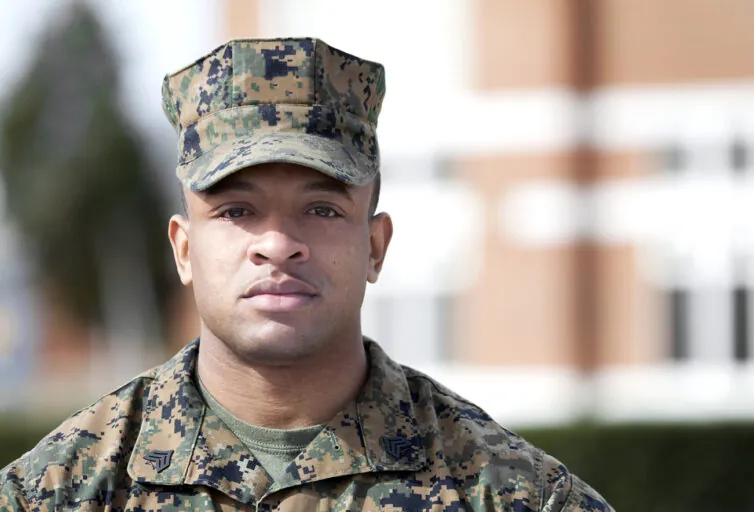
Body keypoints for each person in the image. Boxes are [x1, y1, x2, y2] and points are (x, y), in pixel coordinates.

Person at [0, 37, 613, 511]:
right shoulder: (58, 491)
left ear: (376, 246)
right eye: (236, 210)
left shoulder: (511, 493)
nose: (278, 244)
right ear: (184, 250)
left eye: (322, 209)